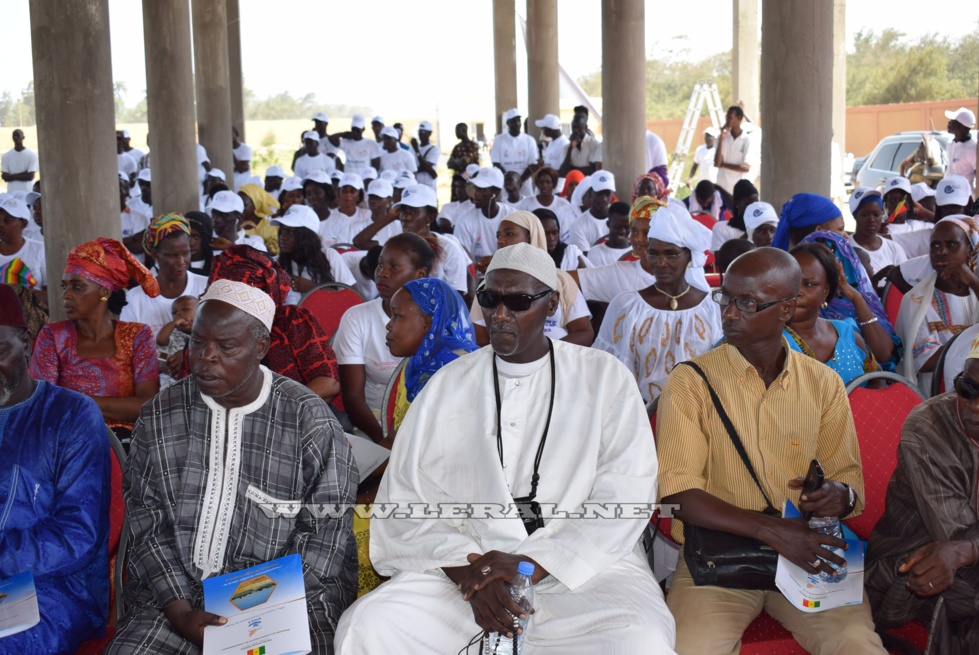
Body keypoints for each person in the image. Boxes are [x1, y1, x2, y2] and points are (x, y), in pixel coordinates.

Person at [334, 242, 677, 654]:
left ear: (551, 306)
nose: (499, 314)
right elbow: (408, 498)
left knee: (640, 640)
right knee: (368, 626)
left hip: (582, 566)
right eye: (490, 299)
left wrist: (538, 563)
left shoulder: (604, 377)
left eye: (517, 301)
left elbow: (626, 491)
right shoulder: (448, 383)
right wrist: (470, 575)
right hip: (464, 559)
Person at [106, 279, 357, 653]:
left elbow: (325, 537)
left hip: (287, 598)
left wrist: (246, 611)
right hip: (175, 597)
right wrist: (179, 612)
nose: (206, 357)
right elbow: (147, 523)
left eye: (226, 346)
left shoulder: (307, 419)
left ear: (260, 347)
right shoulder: (160, 414)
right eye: (198, 342)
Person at [657, 247, 885, 655]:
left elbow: (851, 485)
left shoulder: (823, 384)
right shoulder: (690, 382)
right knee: (688, 649)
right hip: (717, 558)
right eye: (725, 297)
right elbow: (677, 496)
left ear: (787, 308)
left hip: (808, 554)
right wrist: (775, 532)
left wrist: (836, 495)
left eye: (748, 304)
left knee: (857, 645)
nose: (728, 313)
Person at [0, 284, 111, 653]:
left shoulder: (72, 415)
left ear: (26, 342)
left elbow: (76, 536)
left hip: (54, 588)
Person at [866, 343, 979, 653]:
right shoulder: (929, 427)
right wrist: (968, 550)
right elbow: (956, 536)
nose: (974, 406)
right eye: (968, 388)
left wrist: (968, 550)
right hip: (911, 566)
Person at [29, 238, 161, 445]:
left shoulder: (137, 336)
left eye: (77, 287)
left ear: (104, 292)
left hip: (127, 445)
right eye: (65, 286)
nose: (66, 295)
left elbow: (147, 405)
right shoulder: (53, 335)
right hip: (67, 441)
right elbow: (43, 403)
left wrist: (76, 401)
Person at [594, 204, 722, 402]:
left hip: (700, 419)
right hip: (642, 417)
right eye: (653, 253)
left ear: (688, 255)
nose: (660, 262)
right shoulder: (627, 308)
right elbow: (608, 372)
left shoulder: (713, 308)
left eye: (671, 254)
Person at [334, 234, 433, 442]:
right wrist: (384, 441)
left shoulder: (436, 319)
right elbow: (353, 398)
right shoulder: (357, 317)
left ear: (420, 274)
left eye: (394, 267)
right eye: (380, 265)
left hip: (428, 426)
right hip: (374, 425)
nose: (382, 273)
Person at [471, 210, 594, 347]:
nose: (501, 240)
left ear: (530, 237)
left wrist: (545, 356)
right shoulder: (489, 284)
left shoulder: (561, 280)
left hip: (560, 362)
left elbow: (584, 333)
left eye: (509, 234)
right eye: (498, 235)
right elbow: (480, 340)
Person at [896, 216, 979, 391]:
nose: (942, 251)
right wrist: (970, 343)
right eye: (935, 245)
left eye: (952, 244)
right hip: (937, 391)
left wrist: (973, 282)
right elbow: (925, 360)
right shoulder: (916, 300)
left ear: (970, 251)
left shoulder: (975, 291)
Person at [386, 277, 478, 434]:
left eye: (397, 316)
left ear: (428, 323)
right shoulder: (414, 365)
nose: (388, 325)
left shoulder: (458, 373)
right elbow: (395, 437)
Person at [800, 230, 901, 367]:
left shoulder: (855, 309)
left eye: (828, 260)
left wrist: (857, 298)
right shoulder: (793, 306)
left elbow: (883, 354)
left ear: (844, 264)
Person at [786, 242, 878, 386]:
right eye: (791, 281)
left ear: (825, 291)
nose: (797, 292)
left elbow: (877, 377)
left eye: (809, 284)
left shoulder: (846, 332)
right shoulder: (771, 342)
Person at [120, 213, 209, 338]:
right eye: (173, 256)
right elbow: (127, 345)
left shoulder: (206, 288)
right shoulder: (135, 299)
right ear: (155, 254)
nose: (181, 262)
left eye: (186, 253)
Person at [571, 196, 664, 303]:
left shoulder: (678, 275)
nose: (638, 239)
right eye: (634, 231)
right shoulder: (620, 272)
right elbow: (573, 278)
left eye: (646, 233)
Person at [271, 204, 356, 305]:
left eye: (290, 232)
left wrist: (313, 288)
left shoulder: (329, 256)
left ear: (306, 236)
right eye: (282, 231)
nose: (283, 237)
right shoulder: (276, 264)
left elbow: (353, 297)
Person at [454, 167, 516, 261]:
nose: (475, 194)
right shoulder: (464, 221)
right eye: (475, 188)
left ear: (496, 192)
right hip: (477, 274)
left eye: (482, 190)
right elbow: (462, 260)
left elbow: (518, 252)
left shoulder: (512, 216)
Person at [849, 187, 908, 278]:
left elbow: (906, 281)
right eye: (865, 215)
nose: (871, 220)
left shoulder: (894, 249)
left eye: (876, 214)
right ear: (855, 216)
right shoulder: (845, 248)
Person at [772, 192, 847, 251]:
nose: (846, 236)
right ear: (819, 232)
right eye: (840, 229)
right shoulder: (813, 268)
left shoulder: (787, 264)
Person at [0, 194, 45, 290]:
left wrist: (24, 295)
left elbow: (51, 293)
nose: (1, 224)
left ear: (23, 224)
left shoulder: (40, 249)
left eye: (7, 220)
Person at [491, 108, 539, 198]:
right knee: (507, 208)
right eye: (513, 121)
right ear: (508, 123)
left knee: (525, 210)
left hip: (525, 184)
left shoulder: (529, 140)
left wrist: (519, 181)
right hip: (506, 183)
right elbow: (496, 163)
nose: (517, 123)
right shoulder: (499, 140)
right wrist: (509, 181)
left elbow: (533, 164)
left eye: (518, 120)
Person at [713, 106, 757, 194]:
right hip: (722, 187)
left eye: (730, 117)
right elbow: (717, 163)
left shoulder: (747, 140)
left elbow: (746, 168)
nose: (727, 120)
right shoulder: (722, 138)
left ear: (738, 119)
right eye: (727, 117)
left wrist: (724, 165)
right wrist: (721, 138)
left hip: (738, 189)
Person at [569, 170, 615, 253]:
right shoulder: (578, 226)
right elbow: (586, 261)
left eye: (607, 194)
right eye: (599, 194)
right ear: (590, 193)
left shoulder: (622, 220)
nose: (604, 199)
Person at [711, 179, 756, 251]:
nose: (753, 207)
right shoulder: (722, 229)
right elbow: (721, 258)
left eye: (756, 202)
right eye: (747, 204)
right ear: (737, 204)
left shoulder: (765, 228)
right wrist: (749, 232)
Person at [238, 182, 281, 254]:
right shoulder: (233, 223)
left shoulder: (269, 226)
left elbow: (275, 251)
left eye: (244, 204)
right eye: (238, 203)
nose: (239, 207)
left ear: (256, 204)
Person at [585, 201, 632, 266]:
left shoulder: (639, 251)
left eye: (627, 227)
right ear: (608, 224)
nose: (622, 231)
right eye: (617, 227)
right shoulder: (596, 253)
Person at [559, 113, 602, 177]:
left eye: (579, 128)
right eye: (574, 127)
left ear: (586, 127)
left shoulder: (594, 145)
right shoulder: (567, 147)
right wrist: (570, 149)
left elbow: (593, 170)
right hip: (573, 183)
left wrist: (572, 169)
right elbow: (563, 172)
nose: (576, 130)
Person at [945, 106, 976, 189]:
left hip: (965, 197)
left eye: (952, 121)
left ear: (959, 126)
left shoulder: (973, 147)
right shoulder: (950, 143)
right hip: (948, 193)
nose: (948, 123)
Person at [410, 120, 439, 189]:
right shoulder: (411, 148)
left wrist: (416, 150)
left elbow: (427, 166)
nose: (421, 134)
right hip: (416, 183)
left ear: (430, 133)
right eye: (419, 132)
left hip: (429, 185)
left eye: (423, 132)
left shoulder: (434, 149)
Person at [185, 211, 214, 277]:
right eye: (187, 236)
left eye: (196, 237)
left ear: (207, 239)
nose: (190, 243)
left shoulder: (218, 267)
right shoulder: (171, 269)